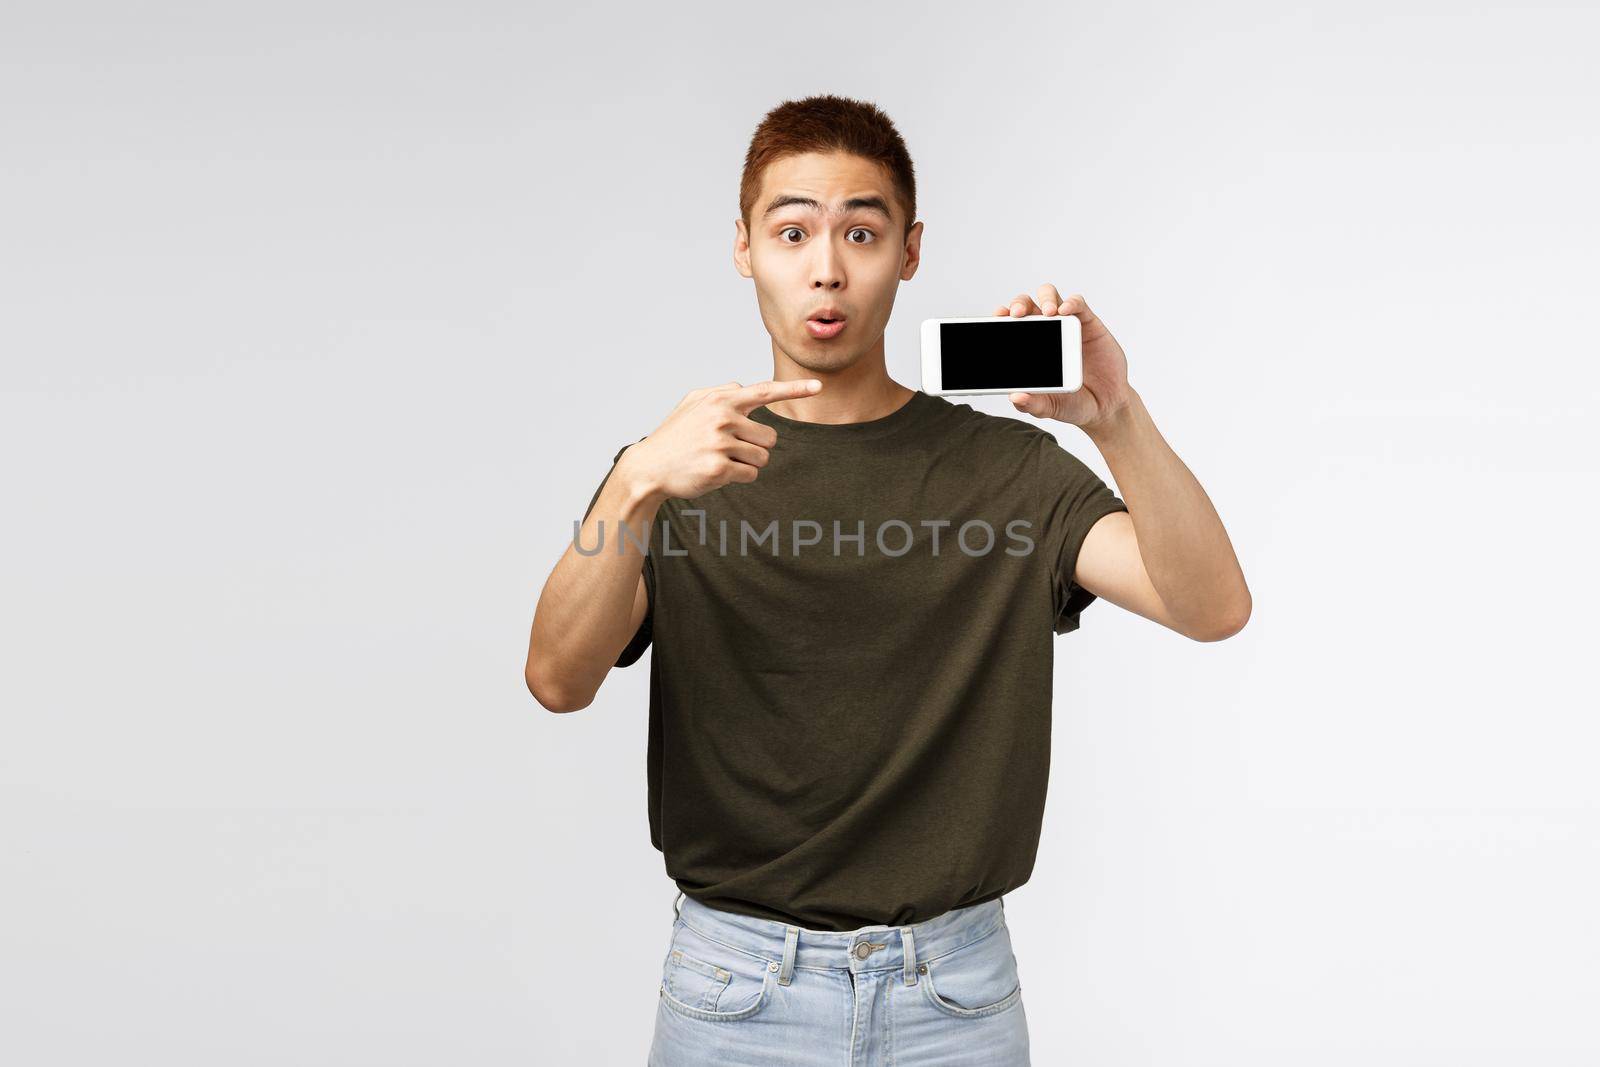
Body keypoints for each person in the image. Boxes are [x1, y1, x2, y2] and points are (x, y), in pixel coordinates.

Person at [524, 94, 1250, 1066]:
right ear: (743, 246)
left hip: (952, 996)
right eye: (792, 231)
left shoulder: (1010, 469)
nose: (826, 266)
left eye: (859, 232)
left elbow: (1211, 607)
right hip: (735, 989)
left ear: (908, 251)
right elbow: (557, 679)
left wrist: (1115, 418)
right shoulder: (674, 469)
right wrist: (634, 480)